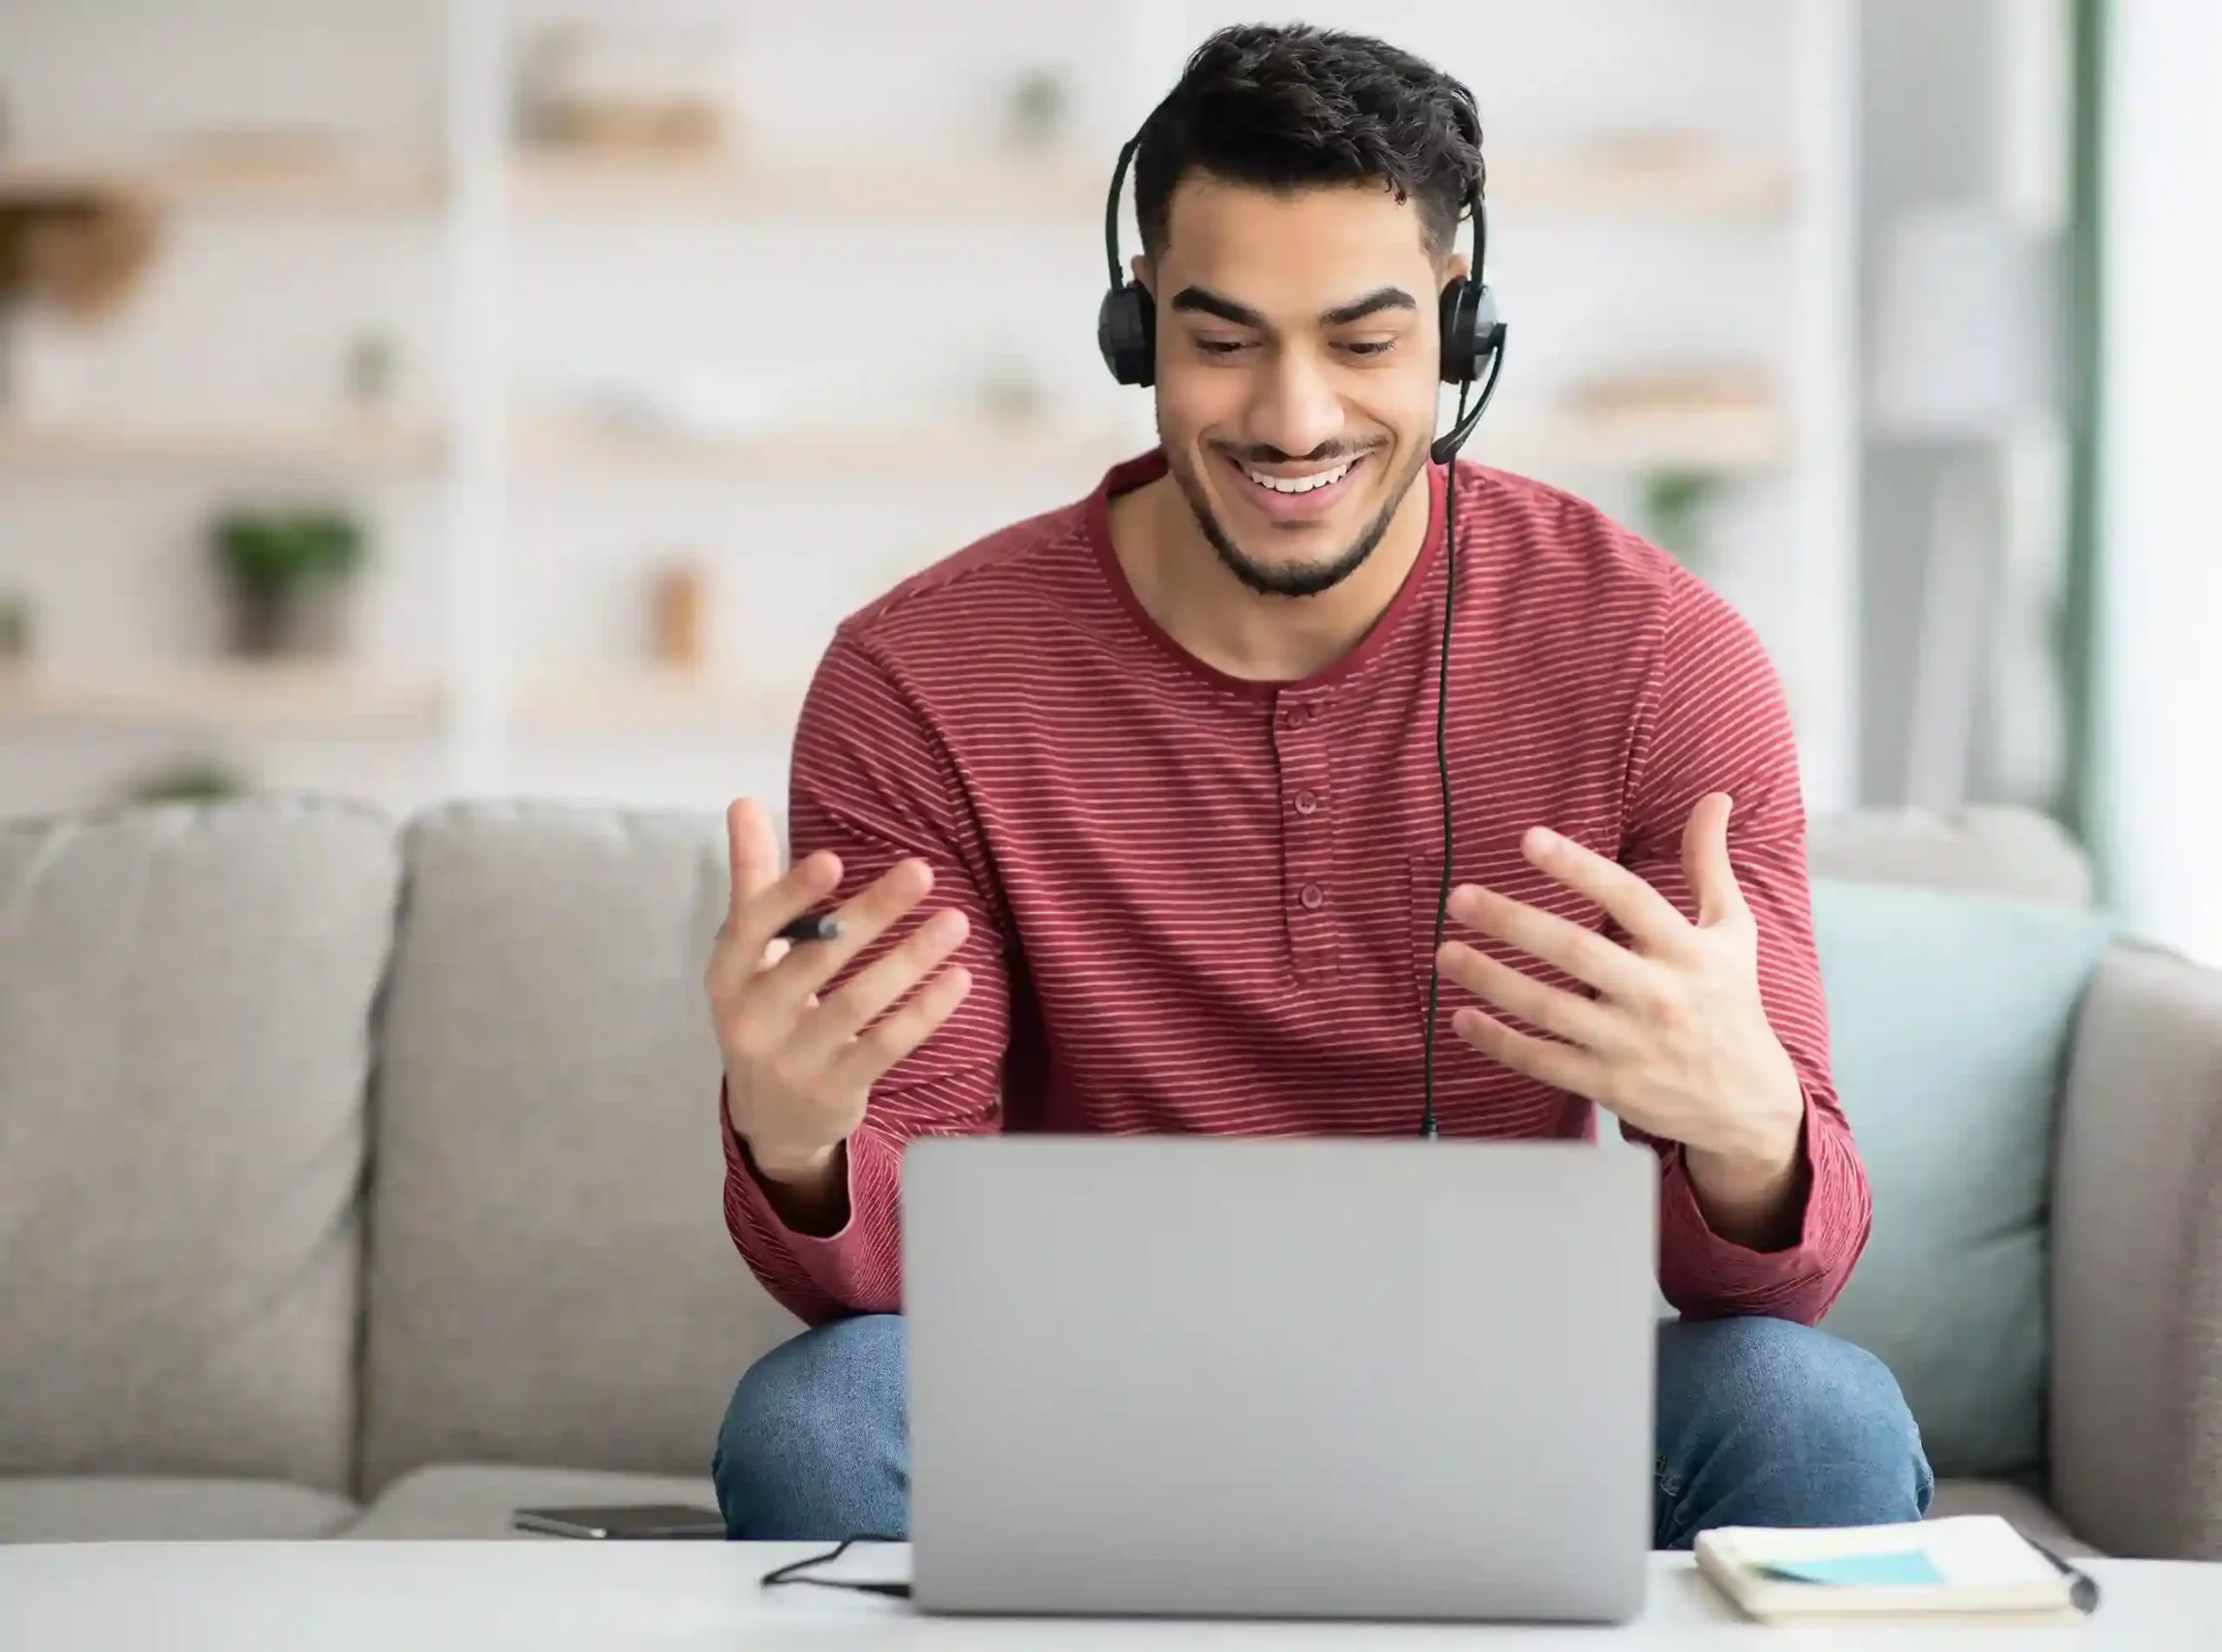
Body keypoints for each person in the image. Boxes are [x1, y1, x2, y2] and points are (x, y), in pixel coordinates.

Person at [704, 22, 1929, 1545]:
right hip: (1086, 1404)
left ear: (1458, 327)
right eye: (1224, 343)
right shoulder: (924, 682)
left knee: (1816, 1411)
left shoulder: (1656, 658)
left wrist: (1747, 1127)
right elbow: (889, 1283)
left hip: (1517, 1398)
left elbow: (1781, 1283)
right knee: (817, 1419)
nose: (1293, 419)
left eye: (1362, 343)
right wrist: (798, 1145)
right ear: (1138, 321)